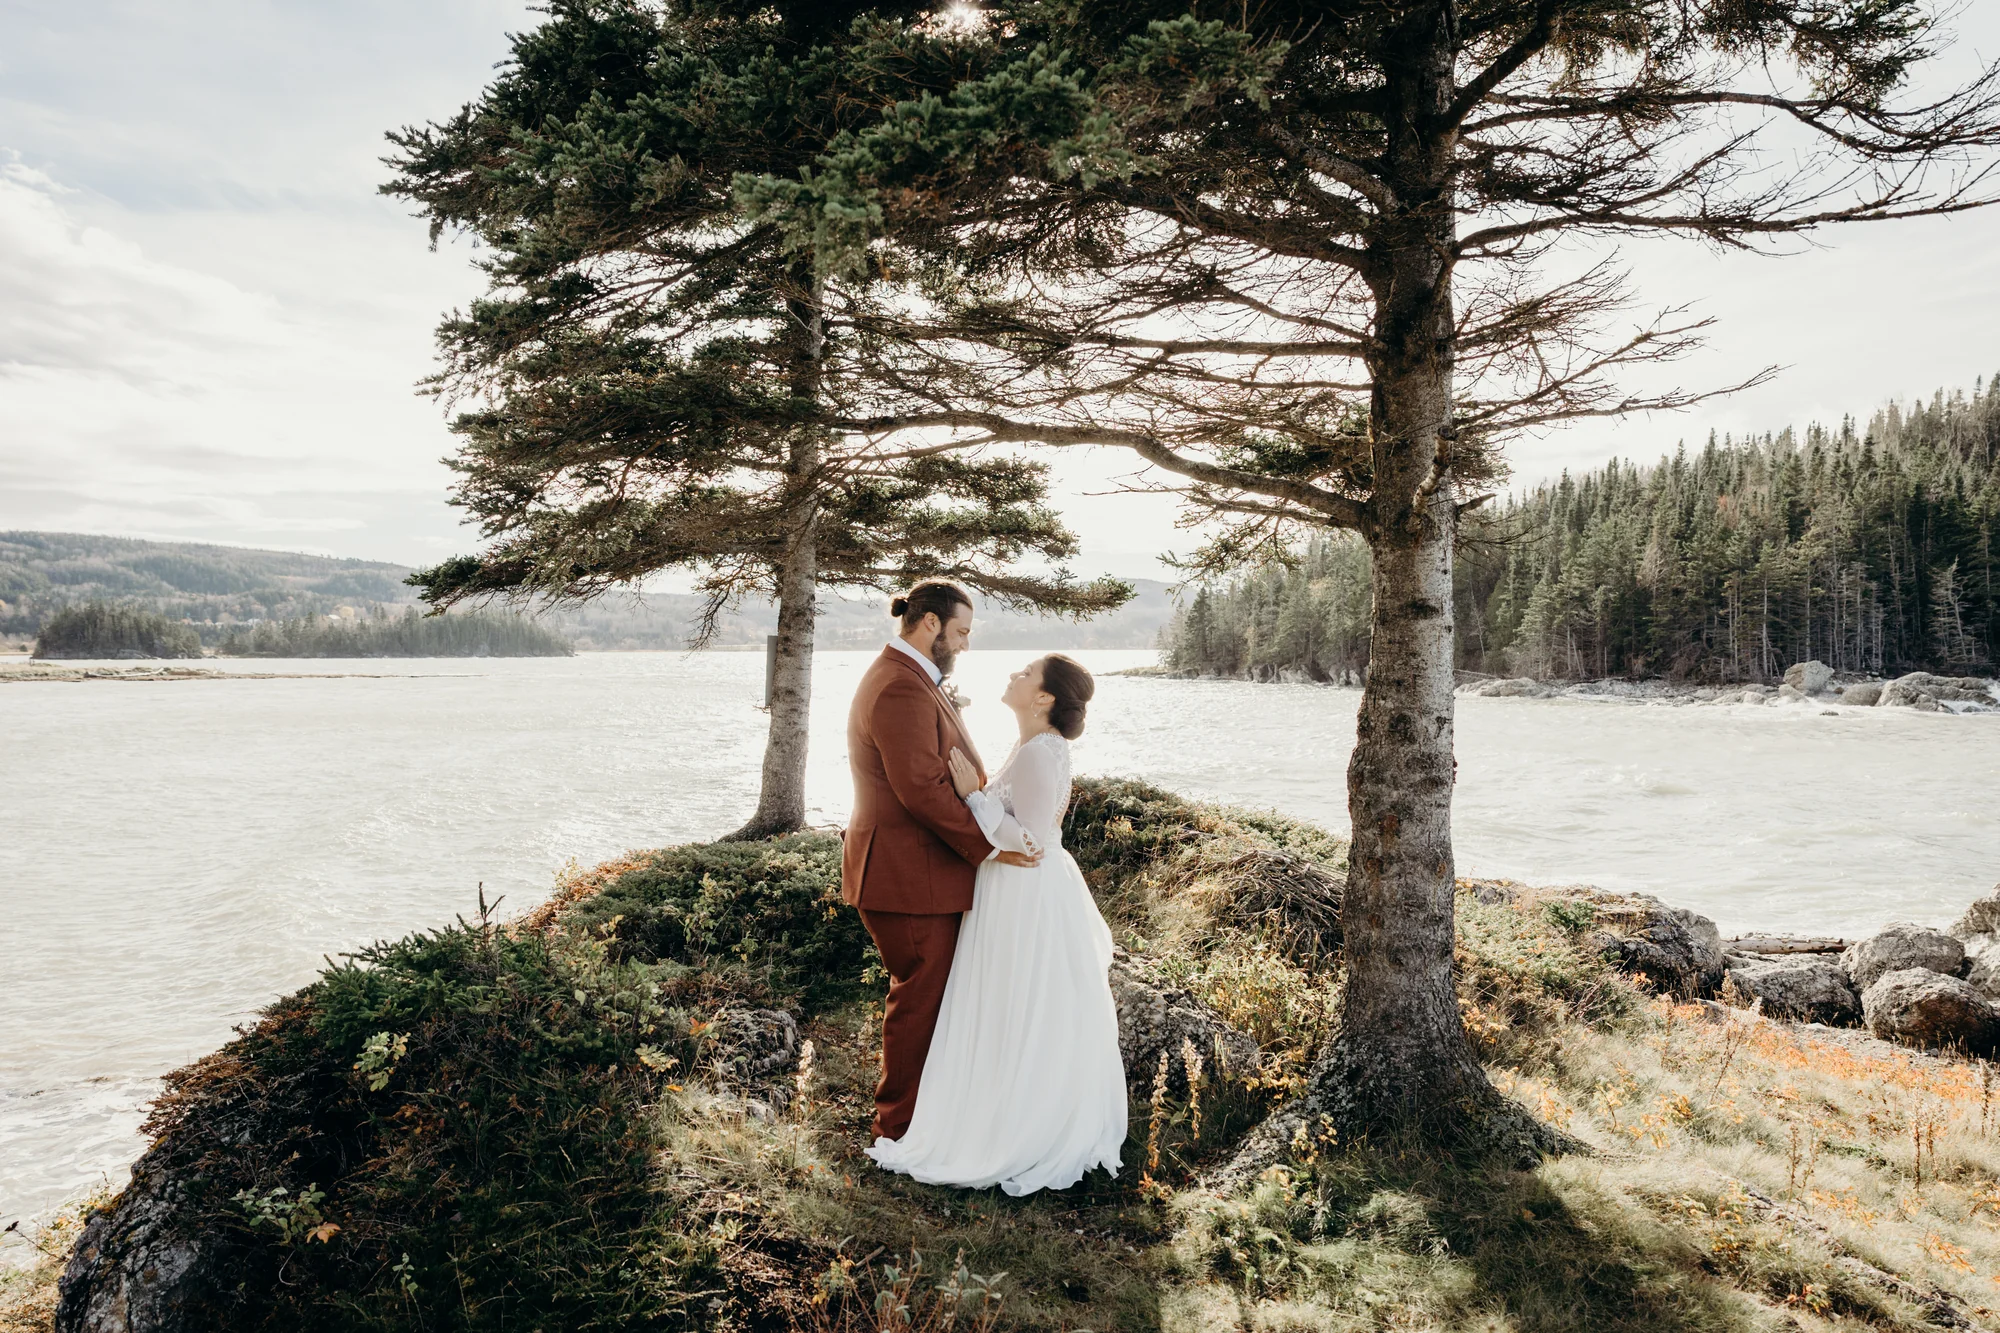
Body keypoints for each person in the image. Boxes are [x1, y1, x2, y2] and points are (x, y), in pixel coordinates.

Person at [865, 652, 1127, 1195]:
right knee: (1012, 1002)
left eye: (1027, 674)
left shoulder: (1038, 753)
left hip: (1024, 894)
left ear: (1045, 698)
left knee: (1015, 1002)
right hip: (1018, 888)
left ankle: (1012, 1124)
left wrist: (973, 798)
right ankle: (999, 1104)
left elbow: (1027, 842)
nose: (1014, 675)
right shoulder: (1035, 747)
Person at [842, 581, 1039, 1143]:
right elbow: (922, 791)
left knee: (929, 997)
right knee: (920, 1000)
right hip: (907, 876)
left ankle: (925, 1116)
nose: (965, 645)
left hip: (918, 873)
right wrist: (991, 847)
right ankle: (897, 1129)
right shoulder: (899, 688)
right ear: (928, 624)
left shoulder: (911, 679)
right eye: (961, 633)